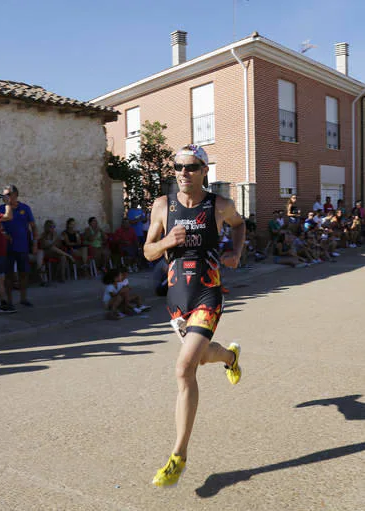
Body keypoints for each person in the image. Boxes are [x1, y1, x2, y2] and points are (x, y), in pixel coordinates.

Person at [144, 144, 244, 487]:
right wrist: (166, 241)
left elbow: (240, 225)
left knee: (184, 367)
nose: (183, 173)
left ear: (204, 171)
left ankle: (178, 457)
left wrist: (235, 251)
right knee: (200, 359)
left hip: (207, 291)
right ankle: (230, 356)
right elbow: (147, 251)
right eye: (178, 167)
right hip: (176, 297)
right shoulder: (162, 206)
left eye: (191, 167)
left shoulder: (220, 205)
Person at [0, 184, 37, 307]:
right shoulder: (0, 209)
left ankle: (23, 298)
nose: (5, 197)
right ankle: (9, 301)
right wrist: (3, 233)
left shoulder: (25, 208)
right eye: (4, 195)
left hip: (22, 246)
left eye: (8, 194)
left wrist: (35, 243)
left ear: (15, 194)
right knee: (8, 275)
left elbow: (33, 226)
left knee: (23, 273)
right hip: (7, 247)